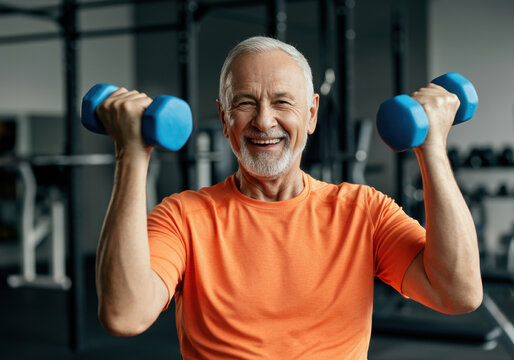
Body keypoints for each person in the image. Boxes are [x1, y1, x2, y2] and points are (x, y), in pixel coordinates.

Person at [95, 36, 483, 359]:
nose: (264, 121)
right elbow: (124, 315)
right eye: (245, 102)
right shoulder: (184, 217)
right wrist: (131, 152)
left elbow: (458, 293)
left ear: (312, 114)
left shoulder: (363, 212)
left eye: (282, 102)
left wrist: (431, 147)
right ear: (225, 118)